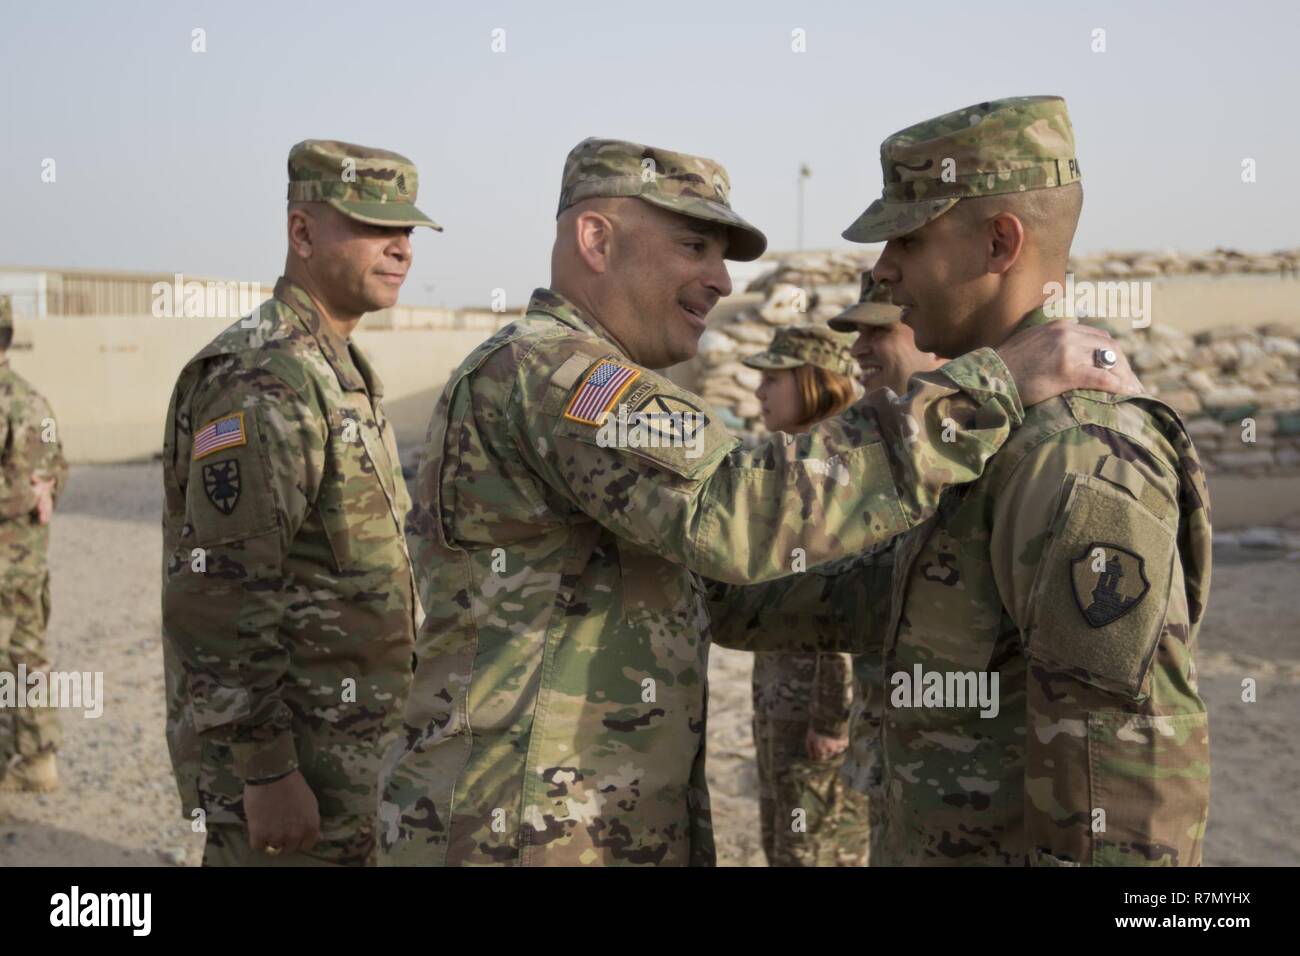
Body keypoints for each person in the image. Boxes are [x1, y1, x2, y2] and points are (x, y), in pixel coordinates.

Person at [379, 135, 1139, 866]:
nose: (722, 281)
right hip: (519, 834)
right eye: (694, 247)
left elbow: (730, 595)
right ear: (596, 240)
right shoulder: (553, 372)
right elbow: (733, 514)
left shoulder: (583, 382)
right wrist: (986, 390)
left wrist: (944, 577)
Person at [716, 95, 1212, 866]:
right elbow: (848, 596)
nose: (885, 269)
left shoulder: (1074, 452)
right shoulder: (981, 431)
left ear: (1000, 242)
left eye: (907, 239)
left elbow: (1127, 782)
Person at [160, 140, 439, 866]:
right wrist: (266, 770)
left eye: (408, 231)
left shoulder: (335, 368)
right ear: (303, 232)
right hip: (297, 771)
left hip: (351, 758)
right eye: (376, 227)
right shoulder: (267, 377)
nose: (401, 248)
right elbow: (217, 591)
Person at [740, 324, 870, 867]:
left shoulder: (834, 473)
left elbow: (847, 609)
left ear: (814, 383)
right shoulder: (790, 462)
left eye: (773, 378)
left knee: (815, 850)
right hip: (779, 693)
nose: (759, 392)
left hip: (815, 711)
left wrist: (831, 719)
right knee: (784, 842)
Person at [0, 294, 69, 792]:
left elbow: (26, 484)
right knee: (26, 653)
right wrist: (42, 492)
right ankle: (39, 758)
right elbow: (55, 471)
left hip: (7, 558)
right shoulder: (34, 398)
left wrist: (33, 490)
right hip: (27, 559)